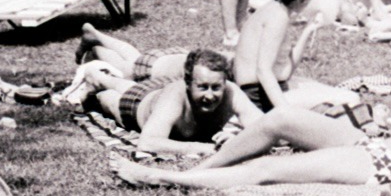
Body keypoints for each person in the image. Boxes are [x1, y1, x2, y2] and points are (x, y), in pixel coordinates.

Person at [113, 41, 391, 189]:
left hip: (379, 164)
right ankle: (204, 166)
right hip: (377, 145)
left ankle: (167, 178)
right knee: (278, 119)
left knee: (268, 170)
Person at [79, 48, 261, 157]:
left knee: (123, 83)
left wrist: (238, 139)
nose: (210, 95)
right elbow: (147, 143)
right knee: (105, 97)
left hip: (160, 90)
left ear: (224, 83)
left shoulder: (230, 91)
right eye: (203, 87)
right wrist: (208, 148)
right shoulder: (175, 97)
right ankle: (96, 74)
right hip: (138, 103)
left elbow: (268, 127)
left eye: (216, 87)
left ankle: (98, 65)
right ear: (188, 84)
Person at [233, 0, 324, 111]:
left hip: (260, 90)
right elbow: (263, 71)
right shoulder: (277, 18)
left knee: (317, 88)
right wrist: (285, 112)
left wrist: (308, 30)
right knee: (349, 99)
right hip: (257, 95)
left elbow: (286, 69)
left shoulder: (274, 9)